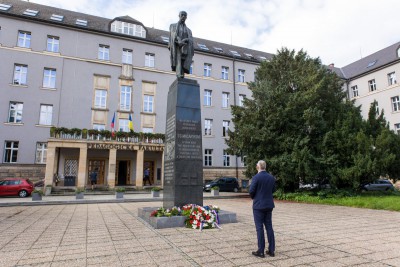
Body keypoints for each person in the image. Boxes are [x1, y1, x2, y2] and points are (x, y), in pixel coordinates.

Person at [249, 160, 276, 258]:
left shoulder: (256, 177)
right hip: (269, 205)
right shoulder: (271, 177)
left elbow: (251, 191)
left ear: (258, 167)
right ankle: (271, 250)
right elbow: (273, 190)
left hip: (259, 206)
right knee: (269, 226)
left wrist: (254, 197)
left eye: (256, 165)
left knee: (259, 228)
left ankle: (261, 251)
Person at [169, 11, 194, 78]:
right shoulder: (173, 26)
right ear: (179, 16)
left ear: (186, 17)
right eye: (182, 15)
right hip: (177, 47)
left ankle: (182, 75)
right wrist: (178, 40)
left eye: (185, 15)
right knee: (178, 61)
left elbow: (191, 39)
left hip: (186, 47)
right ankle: (179, 75)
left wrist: (186, 40)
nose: (183, 16)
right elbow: (172, 35)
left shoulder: (189, 30)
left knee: (184, 62)